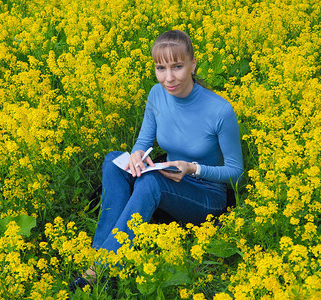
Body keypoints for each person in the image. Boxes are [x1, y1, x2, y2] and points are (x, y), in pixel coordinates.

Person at [72, 29, 243, 290]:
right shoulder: (156, 94)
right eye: (160, 68)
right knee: (113, 160)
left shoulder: (220, 110)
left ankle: (99, 270)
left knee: (150, 183)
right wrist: (138, 155)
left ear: (193, 64)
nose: (169, 78)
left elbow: (235, 172)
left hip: (206, 195)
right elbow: (143, 142)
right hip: (167, 177)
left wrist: (192, 168)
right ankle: (102, 253)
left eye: (177, 66)